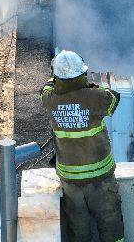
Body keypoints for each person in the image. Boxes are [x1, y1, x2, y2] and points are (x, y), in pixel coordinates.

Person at [40, 50, 124, 242]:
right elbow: (114, 99)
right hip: (100, 177)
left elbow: (44, 89)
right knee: (110, 224)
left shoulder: (50, 99)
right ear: (82, 74)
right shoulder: (95, 97)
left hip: (70, 179)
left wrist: (58, 84)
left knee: (79, 228)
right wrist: (87, 87)